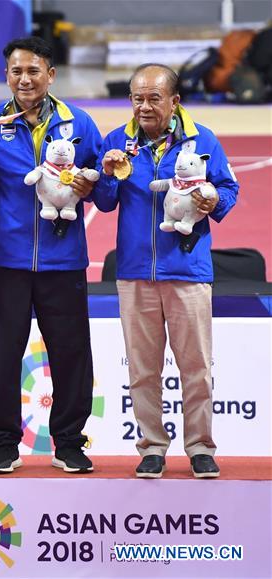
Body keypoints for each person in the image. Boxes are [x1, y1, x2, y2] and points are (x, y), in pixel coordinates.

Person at [93, 64, 237, 479]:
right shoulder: (118, 141)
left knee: (196, 368)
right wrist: (106, 172)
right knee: (142, 370)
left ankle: (200, 448)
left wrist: (214, 202)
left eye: (154, 98)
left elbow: (228, 188)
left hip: (188, 270)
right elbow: (104, 203)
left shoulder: (202, 140)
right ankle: (152, 446)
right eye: (137, 98)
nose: (144, 106)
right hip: (135, 272)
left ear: (175, 101)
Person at [0, 36, 101, 475]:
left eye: (32, 70)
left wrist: (91, 185)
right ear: (6, 76)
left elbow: (103, 190)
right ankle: (3, 443)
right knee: (3, 353)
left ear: (51, 74)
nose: (24, 79)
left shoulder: (79, 123)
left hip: (63, 260)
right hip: (6, 260)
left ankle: (69, 441)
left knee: (70, 353)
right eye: (15, 71)